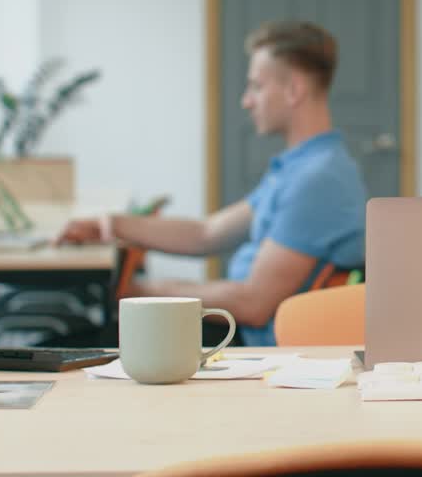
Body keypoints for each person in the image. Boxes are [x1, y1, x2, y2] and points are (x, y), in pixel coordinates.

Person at [57, 21, 367, 346]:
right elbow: (207, 233)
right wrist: (112, 225)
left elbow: (252, 304)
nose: (247, 101)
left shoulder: (318, 181)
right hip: (234, 333)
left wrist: (136, 293)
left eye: (256, 87)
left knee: (66, 348)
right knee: (71, 342)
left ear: (293, 90)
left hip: (247, 345)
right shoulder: (301, 167)